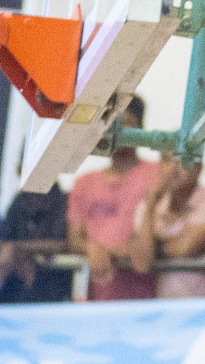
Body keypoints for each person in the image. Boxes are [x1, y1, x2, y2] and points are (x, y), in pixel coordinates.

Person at [68, 94, 158, 300]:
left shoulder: (157, 175)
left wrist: (113, 252)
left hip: (145, 297)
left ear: (140, 128)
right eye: (111, 124)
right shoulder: (85, 182)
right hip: (93, 296)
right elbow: (74, 237)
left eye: (124, 124)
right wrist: (92, 247)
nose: (116, 132)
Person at [130, 156, 205, 298]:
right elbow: (141, 261)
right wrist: (150, 209)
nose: (174, 168)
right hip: (163, 308)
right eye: (167, 160)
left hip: (203, 309)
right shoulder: (148, 205)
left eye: (183, 160)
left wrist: (153, 244)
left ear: (199, 168)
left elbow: (184, 246)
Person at [0, 184, 72, 303]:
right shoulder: (20, 201)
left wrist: (21, 248)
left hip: (54, 279)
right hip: (18, 278)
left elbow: (64, 244)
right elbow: (6, 237)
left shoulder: (62, 202)